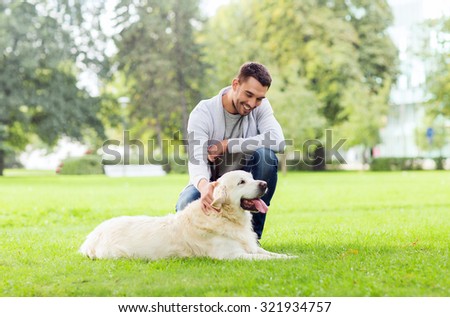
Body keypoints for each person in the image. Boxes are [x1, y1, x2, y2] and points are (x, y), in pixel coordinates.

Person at [175, 62, 285, 239]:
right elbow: (197, 160)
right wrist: (204, 187)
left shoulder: (261, 106)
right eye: (248, 94)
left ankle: (252, 239)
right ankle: (212, 241)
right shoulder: (203, 112)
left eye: (259, 98)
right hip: (212, 181)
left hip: (244, 183)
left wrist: (228, 144)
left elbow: (278, 141)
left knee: (266, 157)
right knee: (186, 204)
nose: (252, 103)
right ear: (235, 84)